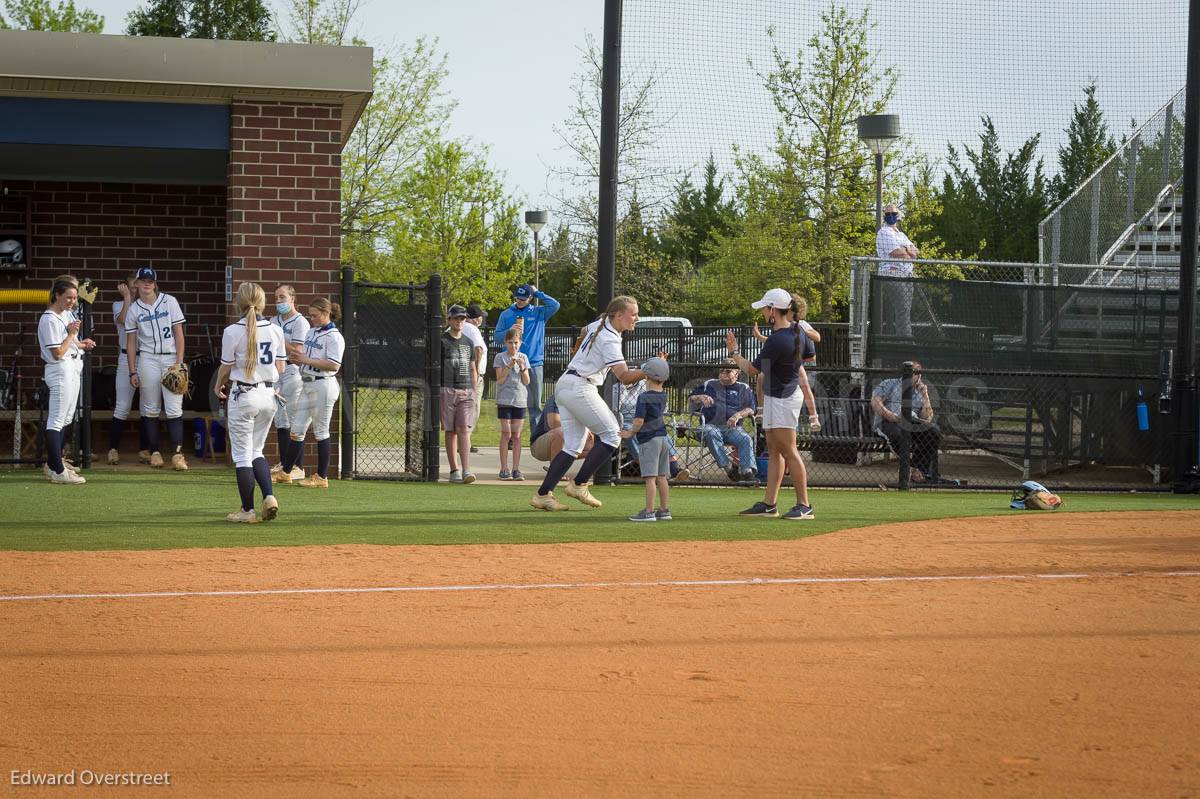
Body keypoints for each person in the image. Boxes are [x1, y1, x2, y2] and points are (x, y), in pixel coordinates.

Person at [530, 295, 647, 511]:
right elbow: (624, 377)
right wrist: (648, 370)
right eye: (633, 314)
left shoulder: (601, 323)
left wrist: (576, 352)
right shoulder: (610, 339)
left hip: (567, 383)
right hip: (580, 386)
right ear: (618, 315)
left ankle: (543, 494)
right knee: (612, 434)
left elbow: (584, 331)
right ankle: (579, 484)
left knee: (573, 445)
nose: (636, 318)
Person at [725, 288, 816, 519]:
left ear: (774, 311)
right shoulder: (796, 331)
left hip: (783, 398)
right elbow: (808, 356)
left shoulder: (778, 339)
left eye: (766, 308)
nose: (764, 313)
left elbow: (753, 370)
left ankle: (805, 506)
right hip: (779, 395)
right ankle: (769, 504)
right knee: (774, 449)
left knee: (789, 450)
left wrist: (734, 352)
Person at [213, 283, 287, 523]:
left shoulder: (233, 330)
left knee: (243, 455)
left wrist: (217, 385)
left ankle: (248, 511)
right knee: (257, 451)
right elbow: (281, 367)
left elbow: (226, 366)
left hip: (245, 395)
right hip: (268, 395)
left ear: (239, 302)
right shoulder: (275, 329)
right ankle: (269, 496)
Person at [124, 266, 189, 471]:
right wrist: (133, 370)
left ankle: (178, 455)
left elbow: (179, 333)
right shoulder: (134, 309)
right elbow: (131, 342)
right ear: (136, 284)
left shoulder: (169, 301)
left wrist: (179, 362)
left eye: (150, 281)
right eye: (142, 280)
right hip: (148, 359)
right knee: (150, 408)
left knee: (174, 408)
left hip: (170, 357)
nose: (146, 284)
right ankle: (154, 452)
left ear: (155, 284)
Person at [277, 297, 344, 489]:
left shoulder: (334, 336)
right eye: (311, 315)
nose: (312, 318)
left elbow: (334, 365)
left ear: (326, 313)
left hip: (323, 385)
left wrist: (306, 359)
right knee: (297, 429)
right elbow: (307, 358)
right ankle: (286, 472)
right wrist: (297, 359)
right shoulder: (313, 332)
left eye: (315, 315)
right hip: (307, 383)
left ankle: (322, 477)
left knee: (321, 431)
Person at [38, 276, 96, 484]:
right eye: (68, 297)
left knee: (65, 419)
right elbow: (57, 352)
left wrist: (81, 343)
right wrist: (72, 335)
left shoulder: (66, 313)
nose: (72, 302)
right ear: (57, 295)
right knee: (56, 420)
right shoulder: (49, 318)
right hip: (60, 369)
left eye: (74, 298)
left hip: (72, 367)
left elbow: (69, 345)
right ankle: (57, 470)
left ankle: (56, 465)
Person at [493, 284, 560, 436]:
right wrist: (511, 330)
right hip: (511, 362)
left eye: (523, 299)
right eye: (518, 298)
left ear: (530, 298)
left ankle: (535, 438)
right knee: (511, 401)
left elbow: (555, 305)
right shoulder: (506, 314)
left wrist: (538, 293)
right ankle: (510, 436)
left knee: (535, 404)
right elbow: (496, 337)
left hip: (534, 362)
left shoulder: (539, 312)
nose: (520, 301)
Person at [620, 357, 674, 522]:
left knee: (650, 477)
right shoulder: (663, 395)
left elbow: (638, 421)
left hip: (649, 440)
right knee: (662, 476)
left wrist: (630, 433)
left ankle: (649, 511)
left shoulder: (643, 397)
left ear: (646, 376)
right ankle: (664, 510)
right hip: (663, 438)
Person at [871, 361, 943, 483]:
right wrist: (891, 416)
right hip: (890, 421)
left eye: (920, 373)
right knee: (898, 435)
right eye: (915, 373)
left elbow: (927, 418)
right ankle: (912, 469)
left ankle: (918, 469)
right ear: (907, 373)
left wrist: (925, 396)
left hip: (912, 422)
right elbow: (875, 401)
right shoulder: (890, 383)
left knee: (934, 432)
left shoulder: (919, 392)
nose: (919, 376)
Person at [688, 358, 758, 482]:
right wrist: (700, 397)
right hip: (709, 425)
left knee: (745, 439)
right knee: (711, 432)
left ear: (737, 373)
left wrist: (738, 415)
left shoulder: (743, 388)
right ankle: (728, 468)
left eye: (728, 371)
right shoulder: (709, 384)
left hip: (732, 428)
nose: (723, 373)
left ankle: (748, 472)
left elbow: (751, 409)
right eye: (721, 371)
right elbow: (691, 398)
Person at [269, 285, 311, 481]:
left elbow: (296, 352)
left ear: (293, 299)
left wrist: (278, 337)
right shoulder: (273, 321)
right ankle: (284, 463)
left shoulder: (300, 322)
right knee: (280, 419)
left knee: (295, 419)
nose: (279, 301)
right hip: (275, 371)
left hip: (292, 371)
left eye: (282, 297)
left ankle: (298, 466)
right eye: (276, 298)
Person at [107, 273, 149, 465]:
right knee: (122, 406)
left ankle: (144, 449)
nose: (135, 289)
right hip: (126, 357)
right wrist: (127, 299)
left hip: (147, 357)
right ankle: (113, 449)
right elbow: (123, 320)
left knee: (147, 407)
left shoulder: (149, 305)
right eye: (132, 286)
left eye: (137, 286)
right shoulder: (119, 304)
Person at [615, 378, 689, 481]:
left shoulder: (645, 385)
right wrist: (624, 389)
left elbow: (662, 408)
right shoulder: (617, 387)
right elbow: (615, 408)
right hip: (625, 420)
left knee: (661, 432)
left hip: (646, 419)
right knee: (631, 433)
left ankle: (675, 469)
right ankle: (653, 470)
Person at [440, 304, 478, 484]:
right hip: (447, 388)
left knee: (464, 428)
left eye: (462, 319)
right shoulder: (442, 341)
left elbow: (472, 368)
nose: (459, 322)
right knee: (451, 430)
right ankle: (454, 469)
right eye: (456, 318)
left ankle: (467, 469)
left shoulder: (468, 342)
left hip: (466, 389)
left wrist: (474, 390)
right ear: (449, 320)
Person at [875, 203, 920, 338]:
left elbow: (916, 252)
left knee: (905, 310)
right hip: (892, 273)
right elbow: (895, 251)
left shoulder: (901, 235)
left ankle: (905, 338)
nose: (891, 216)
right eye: (888, 214)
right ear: (884, 216)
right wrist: (907, 251)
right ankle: (906, 340)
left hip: (907, 275)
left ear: (898, 215)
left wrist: (906, 251)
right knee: (903, 308)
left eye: (893, 214)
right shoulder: (883, 232)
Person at [494, 327, 531, 480]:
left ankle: (516, 469)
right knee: (506, 433)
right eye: (510, 343)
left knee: (516, 435)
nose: (513, 346)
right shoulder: (500, 357)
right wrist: (509, 365)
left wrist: (522, 367)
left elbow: (527, 381)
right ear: (505, 343)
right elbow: (500, 379)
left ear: (520, 343)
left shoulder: (524, 357)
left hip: (520, 400)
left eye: (516, 343)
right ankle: (504, 468)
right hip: (504, 400)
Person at [529, 392, 594, 464]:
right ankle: (555, 472)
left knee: (599, 443)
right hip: (540, 446)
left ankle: (589, 473)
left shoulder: (583, 401)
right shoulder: (557, 398)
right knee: (561, 432)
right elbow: (554, 423)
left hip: (568, 440)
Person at [462, 303, 488, 452]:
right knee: (473, 409)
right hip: (471, 375)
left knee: (462, 409)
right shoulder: (473, 329)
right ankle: (465, 442)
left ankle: (463, 441)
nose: (481, 319)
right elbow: (478, 349)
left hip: (458, 375)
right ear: (475, 318)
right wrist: (476, 373)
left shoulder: (457, 328)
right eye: (480, 317)